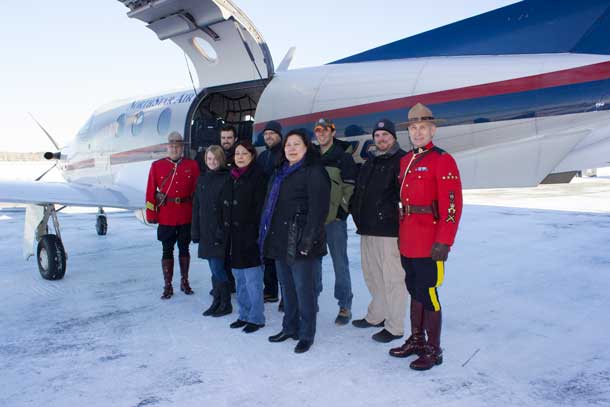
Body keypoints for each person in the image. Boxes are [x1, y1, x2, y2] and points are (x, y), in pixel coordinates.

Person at [390, 103, 463, 371]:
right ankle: (417, 340)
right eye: (413, 128)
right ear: (408, 132)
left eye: (423, 127)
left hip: (430, 241)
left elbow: (452, 205)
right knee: (414, 289)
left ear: (432, 130)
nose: (418, 133)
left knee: (429, 293)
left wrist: (445, 240)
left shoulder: (443, 160)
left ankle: (434, 350)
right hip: (409, 238)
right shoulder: (405, 161)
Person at [261, 129, 331, 354]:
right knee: (287, 288)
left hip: (302, 240)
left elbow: (319, 211)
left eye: (296, 144)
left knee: (304, 289)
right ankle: (289, 327)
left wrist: (308, 240)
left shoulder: (314, 172)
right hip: (281, 239)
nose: (291, 148)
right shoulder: (280, 172)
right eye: (288, 144)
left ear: (306, 147)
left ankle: (306, 333)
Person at [350, 119, 407, 342]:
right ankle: (377, 316)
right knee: (372, 276)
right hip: (367, 229)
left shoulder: (402, 161)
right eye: (377, 136)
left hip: (389, 231)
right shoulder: (370, 162)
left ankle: (395, 327)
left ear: (393, 137)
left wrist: (391, 216)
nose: (381, 140)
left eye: (385, 135)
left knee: (393, 280)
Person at [220, 140, 268, 333]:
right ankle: (244, 314)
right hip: (233, 237)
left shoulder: (258, 177)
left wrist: (255, 234)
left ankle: (256, 318)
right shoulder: (231, 177)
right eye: (237, 153)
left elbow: (260, 209)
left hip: (250, 236)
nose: (240, 157)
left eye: (244, 154)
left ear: (252, 156)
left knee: (253, 280)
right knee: (239, 278)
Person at [313, 118, 358, 325]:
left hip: (334, 221)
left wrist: (341, 212)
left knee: (340, 263)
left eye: (325, 130)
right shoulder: (312, 156)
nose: (321, 134)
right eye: (318, 130)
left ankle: (344, 304)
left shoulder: (343, 157)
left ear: (333, 132)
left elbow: (350, 187)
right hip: (314, 221)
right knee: (312, 263)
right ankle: (311, 299)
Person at [145, 131, 200, 299]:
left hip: (186, 214)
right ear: (167, 147)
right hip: (166, 215)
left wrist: (198, 215)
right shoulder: (157, 166)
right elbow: (150, 192)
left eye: (177, 146)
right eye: (171, 146)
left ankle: (185, 281)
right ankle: (167, 285)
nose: (174, 149)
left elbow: (197, 192)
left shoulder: (192, 165)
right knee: (166, 250)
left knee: (184, 249)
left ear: (182, 148)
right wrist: (151, 213)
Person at [192, 145, 232, 317]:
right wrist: (195, 231)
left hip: (219, 232)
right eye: (209, 159)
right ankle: (217, 301)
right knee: (213, 268)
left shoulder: (227, 178)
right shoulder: (202, 179)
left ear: (221, 159)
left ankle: (225, 303)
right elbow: (197, 207)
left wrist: (222, 231)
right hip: (205, 232)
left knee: (218, 269)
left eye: (215, 159)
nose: (212, 162)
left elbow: (228, 210)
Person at [256, 120, 284, 304]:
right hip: (264, 209)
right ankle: (271, 289)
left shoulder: (284, 154)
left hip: (280, 209)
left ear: (280, 135)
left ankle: (286, 294)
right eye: (266, 134)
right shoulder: (263, 156)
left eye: (272, 133)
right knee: (267, 252)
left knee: (281, 253)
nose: (268, 136)